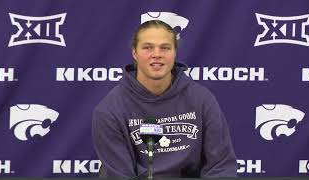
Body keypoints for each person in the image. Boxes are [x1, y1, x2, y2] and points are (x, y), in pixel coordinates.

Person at [92, 20, 237, 178]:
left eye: (165, 48)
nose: (157, 54)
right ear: (134, 53)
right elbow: (119, 176)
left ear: (174, 53)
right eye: (148, 47)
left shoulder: (202, 100)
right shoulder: (109, 109)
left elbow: (221, 167)